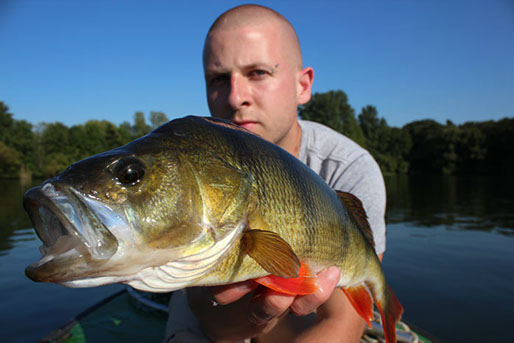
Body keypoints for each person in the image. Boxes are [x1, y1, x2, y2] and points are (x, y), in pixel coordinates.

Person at [165, 4, 386, 342]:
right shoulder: (196, 166)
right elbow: (215, 325)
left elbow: (345, 321)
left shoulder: (348, 168)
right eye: (219, 79)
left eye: (258, 73)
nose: (236, 97)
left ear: (303, 85)